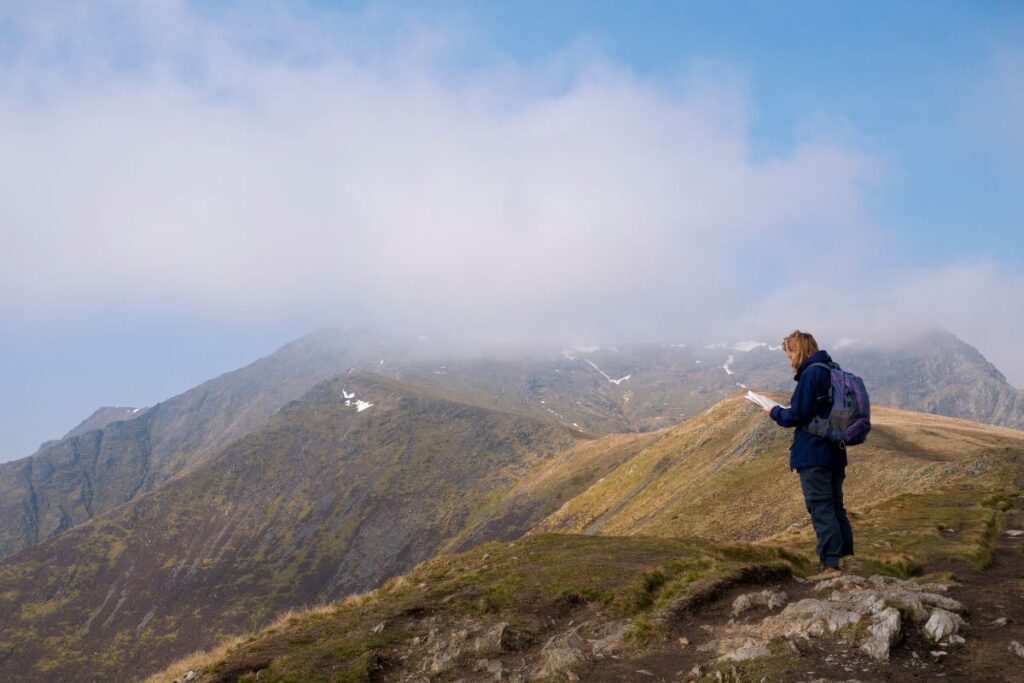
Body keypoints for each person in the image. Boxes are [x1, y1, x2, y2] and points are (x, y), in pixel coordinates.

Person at [763, 330, 854, 581]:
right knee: (836, 507)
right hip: (835, 451)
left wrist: (774, 412)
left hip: (815, 453)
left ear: (799, 350)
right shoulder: (833, 371)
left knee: (821, 508)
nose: (789, 359)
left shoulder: (812, 374)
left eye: (790, 353)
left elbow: (798, 415)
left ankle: (831, 566)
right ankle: (846, 560)